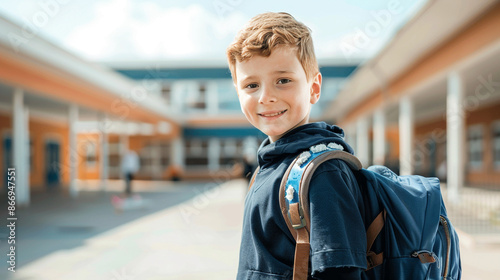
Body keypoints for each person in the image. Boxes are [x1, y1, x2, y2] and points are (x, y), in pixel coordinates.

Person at [227, 12, 367, 279]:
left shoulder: (324, 173)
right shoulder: (270, 164)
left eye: (283, 80)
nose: (266, 97)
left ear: (314, 88)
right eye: (252, 85)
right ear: (238, 92)